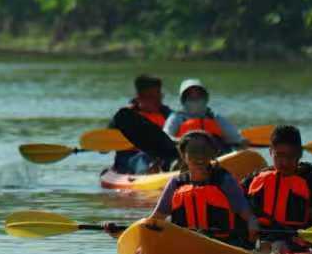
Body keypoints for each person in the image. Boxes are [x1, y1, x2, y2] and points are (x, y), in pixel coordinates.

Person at [106, 130, 258, 245]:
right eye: (193, 152)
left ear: (212, 155)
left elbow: (248, 215)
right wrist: (120, 232)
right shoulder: (176, 183)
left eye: (204, 152)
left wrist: (252, 225)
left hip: (224, 244)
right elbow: (153, 222)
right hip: (186, 243)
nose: (199, 157)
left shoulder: (225, 180)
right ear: (183, 156)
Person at [243, 124, 312, 254]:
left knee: (277, 246)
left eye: (291, 156)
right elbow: (235, 201)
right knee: (266, 245)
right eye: (279, 155)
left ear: (300, 155)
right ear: (270, 151)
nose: (284, 162)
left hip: (296, 242)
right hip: (262, 239)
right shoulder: (257, 178)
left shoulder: (310, 179)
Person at [108, 73, 176, 174]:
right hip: (130, 158)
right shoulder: (125, 117)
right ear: (140, 97)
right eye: (153, 97)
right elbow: (104, 147)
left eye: (159, 96)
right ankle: (147, 173)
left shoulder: (168, 114)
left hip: (161, 157)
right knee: (144, 158)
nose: (158, 101)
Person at [161, 78, 246, 154]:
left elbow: (235, 136)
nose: (195, 100)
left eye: (199, 96)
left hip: (216, 155)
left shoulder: (215, 117)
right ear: (183, 100)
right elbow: (166, 136)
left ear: (205, 98)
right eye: (190, 97)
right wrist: (181, 141)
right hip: (187, 157)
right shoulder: (176, 118)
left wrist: (241, 142)